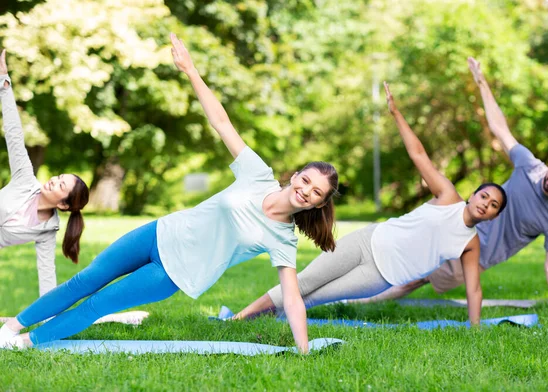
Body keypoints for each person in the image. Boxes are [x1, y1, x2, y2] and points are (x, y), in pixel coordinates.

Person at [0, 34, 339, 353]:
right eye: (306, 180)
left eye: (316, 192)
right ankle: (12, 327)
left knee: (99, 303)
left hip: (173, 272)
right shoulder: (258, 174)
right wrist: (191, 71)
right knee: (83, 281)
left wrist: (304, 348)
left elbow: (292, 298)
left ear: (321, 203)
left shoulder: (283, 238)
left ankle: (28, 343)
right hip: (157, 233)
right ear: (295, 175)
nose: (306, 191)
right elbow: (222, 123)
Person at [233, 82, 507, 326]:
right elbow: (418, 154)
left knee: (313, 298)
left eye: (494, 204)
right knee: (303, 282)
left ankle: (264, 322)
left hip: (380, 275)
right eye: (484, 196)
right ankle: (240, 320)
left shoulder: (470, 244)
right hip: (368, 240)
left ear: (493, 216)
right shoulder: (448, 196)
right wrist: (396, 114)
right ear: (473, 195)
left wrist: (475, 328)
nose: (486, 204)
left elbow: (474, 289)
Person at [351, 57, 548, 306]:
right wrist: (481, 81)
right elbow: (499, 127)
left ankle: (354, 304)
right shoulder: (530, 166)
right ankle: (349, 296)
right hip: (459, 221)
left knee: (415, 279)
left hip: (478, 254)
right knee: (402, 256)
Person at [0, 49, 89, 297]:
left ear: (62, 205)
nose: (53, 181)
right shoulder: (25, 179)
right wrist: (4, 85)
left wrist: (47, 318)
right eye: (59, 177)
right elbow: (15, 136)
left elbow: (46, 274)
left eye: (60, 186)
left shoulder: (47, 231)